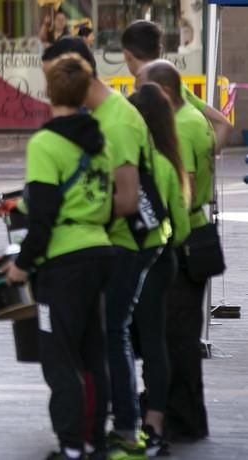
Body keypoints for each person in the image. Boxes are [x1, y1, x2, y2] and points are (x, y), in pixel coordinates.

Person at [42, 37, 162, 459]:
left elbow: (126, 199)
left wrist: (73, 218)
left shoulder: (115, 121)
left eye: (52, 81)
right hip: (114, 241)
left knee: (111, 333)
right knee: (105, 334)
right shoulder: (100, 116)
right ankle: (109, 425)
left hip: (131, 240)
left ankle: (126, 430)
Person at [2, 53, 113, 460]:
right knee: (92, 355)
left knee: (59, 356)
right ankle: (94, 439)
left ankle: (70, 445)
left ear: (49, 91)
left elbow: (43, 217)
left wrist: (22, 266)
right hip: (100, 251)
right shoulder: (100, 139)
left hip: (63, 261)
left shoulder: (46, 144)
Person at [136, 60, 215, 442]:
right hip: (194, 237)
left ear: (162, 93)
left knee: (176, 338)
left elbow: (181, 197)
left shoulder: (180, 129)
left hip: (184, 245)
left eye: (143, 90)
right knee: (179, 336)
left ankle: (180, 420)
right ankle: (185, 417)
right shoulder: (193, 117)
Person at [128, 82, 192, 456]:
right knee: (155, 342)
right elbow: (180, 227)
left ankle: (127, 418)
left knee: (123, 338)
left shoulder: (129, 158)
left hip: (130, 258)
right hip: (162, 261)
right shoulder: (170, 164)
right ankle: (154, 422)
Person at [121, 20, 231, 155]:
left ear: (127, 55)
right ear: (159, 50)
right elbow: (223, 125)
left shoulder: (141, 98)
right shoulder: (177, 87)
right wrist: (203, 162)